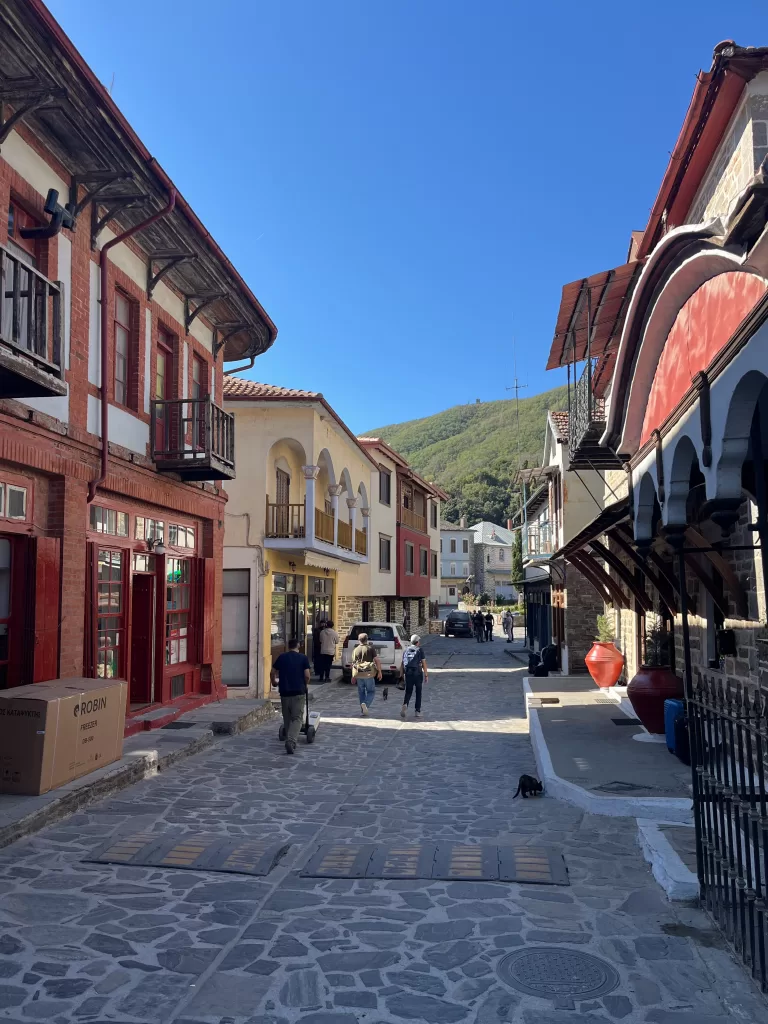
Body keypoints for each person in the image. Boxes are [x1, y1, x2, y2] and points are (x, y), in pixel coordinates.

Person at [270, 638, 311, 755]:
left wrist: (274, 682)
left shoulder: (282, 657)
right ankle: (291, 740)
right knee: (297, 718)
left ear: (288, 646)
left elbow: (272, 671)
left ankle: (289, 738)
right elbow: (307, 675)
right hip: (298, 692)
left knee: (287, 718)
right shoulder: (303, 658)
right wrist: (305, 684)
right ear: (298, 646)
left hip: (284, 692)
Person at [352, 632, 382, 716]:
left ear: (359, 640)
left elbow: (353, 664)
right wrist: (379, 672)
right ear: (367, 639)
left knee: (361, 692)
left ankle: (363, 709)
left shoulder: (355, 650)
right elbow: (377, 660)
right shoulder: (370, 648)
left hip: (359, 674)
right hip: (369, 673)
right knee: (371, 691)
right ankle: (366, 704)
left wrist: (353, 676)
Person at [400, 634, 428, 719]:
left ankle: (405, 705)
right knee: (418, 692)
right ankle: (417, 711)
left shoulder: (406, 650)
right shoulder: (420, 650)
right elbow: (424, 663)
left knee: (408, 691)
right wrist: (426, 675)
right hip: (417, 673)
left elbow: (402, 663)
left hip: (408, 673)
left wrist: (401, 675)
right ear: (417, 642)